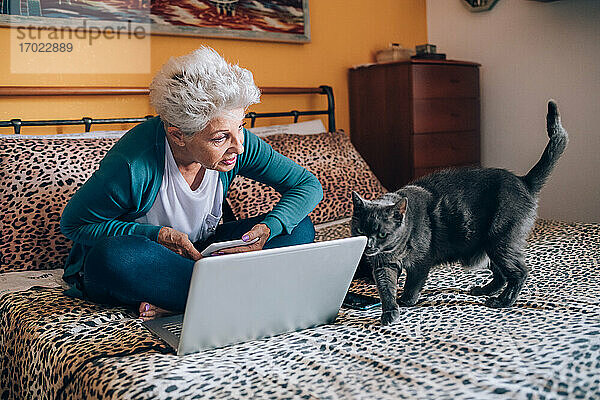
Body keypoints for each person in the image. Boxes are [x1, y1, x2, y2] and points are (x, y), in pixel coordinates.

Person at [60, 47, 323, 320]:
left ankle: (182, 301)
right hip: (150, 257)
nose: (239, 147)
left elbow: (307, 185)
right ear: (178, 135)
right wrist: (157, 235)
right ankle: (244, 297)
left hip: (199, 250)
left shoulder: (234, 141)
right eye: (220, 138)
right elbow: (74, 224)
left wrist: (271, 226)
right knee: (114, 258)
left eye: (241, 127)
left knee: (297, 229)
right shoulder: (131, 163)